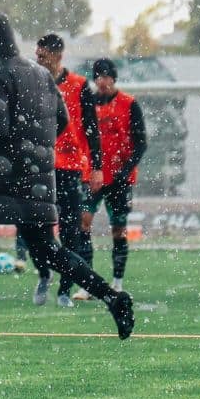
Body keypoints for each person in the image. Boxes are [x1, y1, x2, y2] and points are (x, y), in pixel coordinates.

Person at [0, 12, 134, 339]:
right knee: (49, 250)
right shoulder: (42, 75)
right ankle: (113, 297)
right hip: (40, 180)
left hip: (2, 179)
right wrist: (35, 148)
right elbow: (61, 121)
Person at [23, 34, 104, 308]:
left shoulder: (79, 86)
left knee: (70, 230)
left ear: (57, 56)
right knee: (33, 227)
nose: (38, 60)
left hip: (69, 168)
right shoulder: (31, 83)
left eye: (42, 55)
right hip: (38, 167)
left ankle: (64, 290)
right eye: (37, 55)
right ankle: (44, 273)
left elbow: (92, 129)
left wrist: (96, 167)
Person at [72, 58, 147, 299]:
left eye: (105, 76)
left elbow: (141, 143)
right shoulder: (88, 104)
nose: (101, 81)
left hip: (119, 179)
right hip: (92, 176)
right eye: (98, 77)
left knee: (118, 230)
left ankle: (117, 283)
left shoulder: (129, 104)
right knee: (83, 223)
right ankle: (88, 284)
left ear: (113, 78)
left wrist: (126, 169)